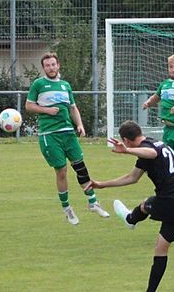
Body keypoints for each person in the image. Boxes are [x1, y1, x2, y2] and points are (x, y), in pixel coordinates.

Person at [90, 120, 174, 292]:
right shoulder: (156, 142)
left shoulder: (148, 149)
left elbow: (151, 154)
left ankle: (130, 219)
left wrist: (127, 151)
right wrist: (102, 184)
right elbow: (132, 178)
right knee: (161, 249)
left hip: (171, 201)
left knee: (146, 205)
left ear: (126, 140)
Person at [25, 52, 109, 225]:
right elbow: (29, 106)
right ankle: (67, 209)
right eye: (47, 65)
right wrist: (47, 110)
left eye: (53, 64)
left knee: (80, 167)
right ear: (44, 68)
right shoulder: (38, 84)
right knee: (62, 171)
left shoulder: (65, 85)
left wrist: (80, 124)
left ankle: (93, 202)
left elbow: (73, 107)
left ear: (58, 65)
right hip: (50, 135)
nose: (51, 68)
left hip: (68, 133)